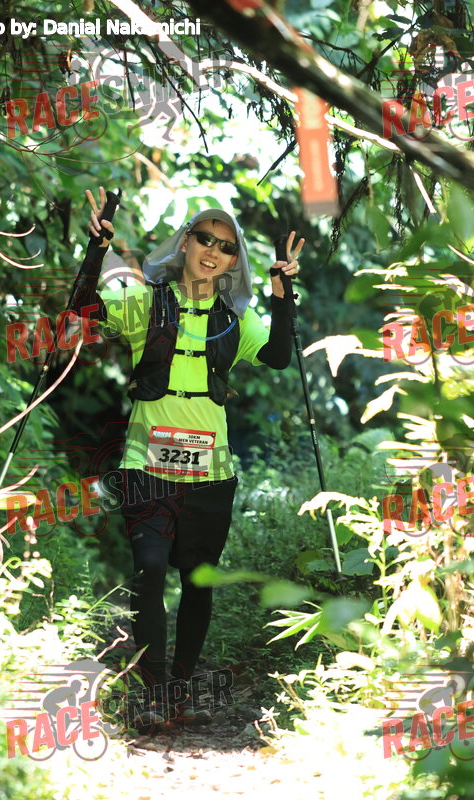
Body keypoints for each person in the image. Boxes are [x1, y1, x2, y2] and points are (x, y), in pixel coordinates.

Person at [80, 186, 303, 730]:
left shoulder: (235, 319)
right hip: (146, 465)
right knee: (151, 568)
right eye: (205, 238)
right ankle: (155, 692)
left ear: (232, 262)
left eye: (226, 247)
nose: (212, 251)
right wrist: (96, 249)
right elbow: (83, 313)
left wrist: (282, 294)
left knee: (198, 579)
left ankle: (180, 687)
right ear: (185, 243)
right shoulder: (144, 301)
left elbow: (278, 356)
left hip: (211, 473)